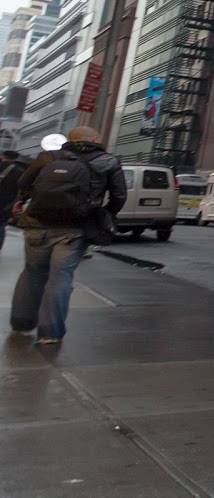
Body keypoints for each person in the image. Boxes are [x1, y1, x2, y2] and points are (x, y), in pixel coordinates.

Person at [9, 127, 127, 347]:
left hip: (37, 223)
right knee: (60, 277)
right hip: (75, 227)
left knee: (32, 273)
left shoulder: (48, 157)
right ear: (94, 139)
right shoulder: (108, 161)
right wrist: (105, 213)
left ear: (69, 140)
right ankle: (50, 332)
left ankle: (21, 324)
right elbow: (119, 195)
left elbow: (24, 183)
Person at [0, 150, 24, 252]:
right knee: (1, 228)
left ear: (3, 156)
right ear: (15, 159)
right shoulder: (20, 171)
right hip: (5, 205)